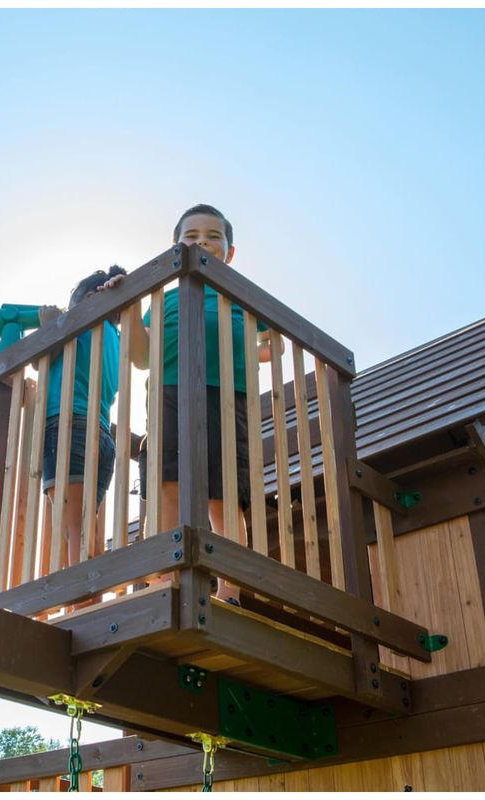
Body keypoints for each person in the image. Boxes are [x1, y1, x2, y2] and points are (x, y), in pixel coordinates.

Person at [134, 204, 279, 604]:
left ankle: (229, 589)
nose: (202, 242)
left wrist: (249, 349)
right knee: (167, 483)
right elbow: (141, 357)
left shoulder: (241, 297)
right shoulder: (164, 298)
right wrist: (128, 307)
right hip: (171, 391)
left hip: (228, 395)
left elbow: (274, 346)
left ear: (230, 252)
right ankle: (164, 579)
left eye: (214, 236)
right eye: (192, 236)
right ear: (176, 248)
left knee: (224, 494)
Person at [38, 265, 148, 570]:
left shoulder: (78, 326)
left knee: (72, 524)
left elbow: (39, 363)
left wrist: (50, 326)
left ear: (88, 299)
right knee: (88, 523)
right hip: (101, 435)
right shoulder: (115, 337)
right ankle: (91, 591)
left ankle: (80, 594)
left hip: (67, 425)